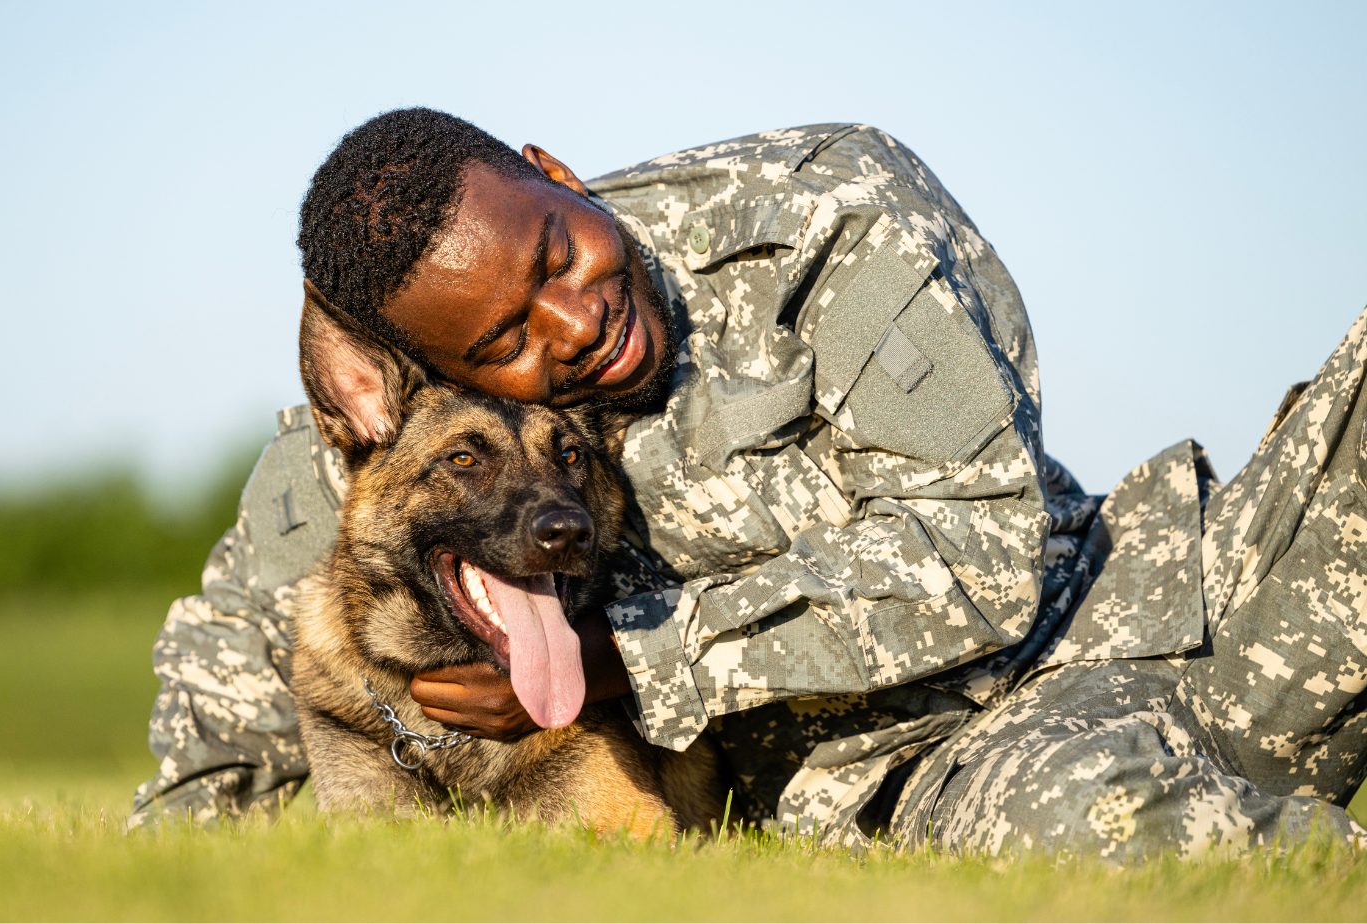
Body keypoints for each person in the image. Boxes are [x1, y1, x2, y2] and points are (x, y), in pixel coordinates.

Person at [130, 108, 1367, 859]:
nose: (571, 321)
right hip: (963, 752)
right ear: (429, 369)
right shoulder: (414, 434)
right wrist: (170, 849)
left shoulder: (822, 207)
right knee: (1094, 835)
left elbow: (987, 549)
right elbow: (259, 620)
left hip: (1192, 606)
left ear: (550, 168)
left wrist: (637, 662)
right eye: (503, 343)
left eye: (560, 252)